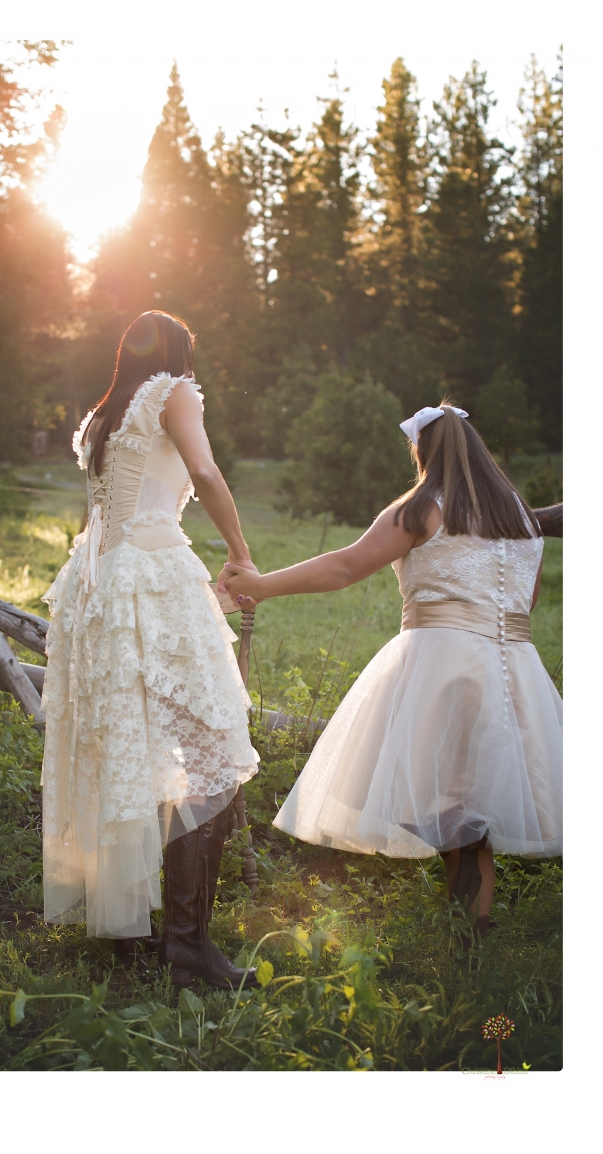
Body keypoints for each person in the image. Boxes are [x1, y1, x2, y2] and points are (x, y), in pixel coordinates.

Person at [220, 403, 562, 942]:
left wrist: (259, 586)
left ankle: (468, 938)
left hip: (444, 664)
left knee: (447, 805)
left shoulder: (423, 507)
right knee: (469, 807)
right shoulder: (520, 519)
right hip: (513, 668)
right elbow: (529, 599)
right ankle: (473, 934)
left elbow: (346, 566)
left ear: (424, 453)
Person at [41, 311, 260, 989]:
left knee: (127, 750)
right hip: (152, 579)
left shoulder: (104, 416)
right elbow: (206, 471)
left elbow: (102, 514)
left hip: (97, 585)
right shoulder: (174, 390)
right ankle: (188, 949)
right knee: (208, 753)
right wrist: (242, 555)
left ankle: (142, 933)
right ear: (179, 354)